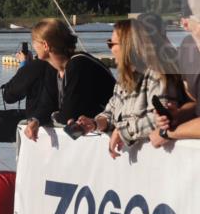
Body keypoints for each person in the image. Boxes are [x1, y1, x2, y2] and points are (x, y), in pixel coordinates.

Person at [75, 19, 184, 157]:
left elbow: (160, 119)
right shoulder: (123, 81)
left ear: (128, 47)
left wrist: (123, 131)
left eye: (111, 43)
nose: (109, 47)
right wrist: (93, 123)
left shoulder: (157, 75)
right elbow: (110, 113)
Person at [23, 19, 115, 142]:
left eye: (34, 42)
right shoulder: (54, 68)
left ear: (45, 45)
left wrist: (53, 115)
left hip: (107, 129)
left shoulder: (79, 64)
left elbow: (68, 114)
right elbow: (47, 104)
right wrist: (36, 121)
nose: (33, 46)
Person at [150, 0, 200, 145]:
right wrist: (177, 115)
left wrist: (167, 133)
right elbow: (195, 102)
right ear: (185, 24)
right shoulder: (187, 50)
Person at [1, 45, 53, 117]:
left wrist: (24, 65)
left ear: (45, 45)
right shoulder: (69, 63)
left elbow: (9, 95)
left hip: (38, 121)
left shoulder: (36, 66)